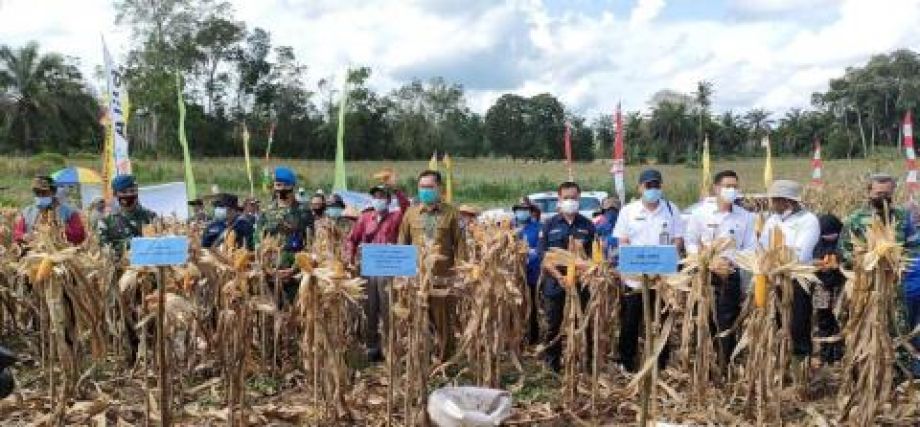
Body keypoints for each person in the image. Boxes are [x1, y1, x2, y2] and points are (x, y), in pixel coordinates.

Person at [840, 173, 918, 376]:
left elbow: (914, 246)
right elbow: (844, 251)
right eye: (878, 193)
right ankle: (864, 371)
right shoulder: (855, 219)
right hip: (866, 287)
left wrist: (897, 260)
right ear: (869, 192)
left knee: (898, 327)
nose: (883, 197)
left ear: (893, 192)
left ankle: (900, 374)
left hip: (894, 286)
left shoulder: (902, 217)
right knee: (866, 325)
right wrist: (867, 260)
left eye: (887, 193)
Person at [613, 169, 685, 372]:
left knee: (661, 322)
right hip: (634, 280)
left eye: (656, 185)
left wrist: (666, 257)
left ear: (661, 187)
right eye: (648, 186)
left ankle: (660, 364)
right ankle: (626, 362)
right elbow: (623, 241)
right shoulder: (628, 211)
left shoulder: (671, 210)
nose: (652, 189)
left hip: (662, 280)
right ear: (640, 188)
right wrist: (635, 262)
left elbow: (678, 239)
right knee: (630, 322)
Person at [684, 170, 755, 367]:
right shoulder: (699, 214)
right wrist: (706, 260)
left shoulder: (746, 217)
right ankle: (704, 365)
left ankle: (725, 365)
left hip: (730, 274)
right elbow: (690, 242)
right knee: (704, 320)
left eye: (734, 186)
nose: (731, 190)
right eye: (727, 186)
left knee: (727, 322)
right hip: (704, 275)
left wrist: (729, 263)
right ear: (716, 188)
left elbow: (750, 247)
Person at [398, 170, 466, 359]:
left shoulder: (452, 214)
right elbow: (402, 243)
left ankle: (444, 361)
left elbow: (461, 246)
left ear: (439, 188)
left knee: (443, 322)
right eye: (422, 187)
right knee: (417, 321)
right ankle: (420, 361)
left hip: (442, 280)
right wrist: (402, 275)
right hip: (416, 280)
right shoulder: (410, 214)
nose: (425, 191)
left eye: (429, 187)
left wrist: (460, 277)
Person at [346, 177, 410, 362]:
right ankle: (372, 346)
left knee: (389, 308)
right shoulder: (365, 218)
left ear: (389, 200)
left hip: (389, 270)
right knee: (369, 308)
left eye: (382, 196)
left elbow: (407, 208)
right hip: (369, 268)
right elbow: (352, 239)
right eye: (375, 196)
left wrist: (397, 189)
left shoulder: (397, 217)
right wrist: (350, 255)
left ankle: (391, 346)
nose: (378, 199)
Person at [760, 179, 820, 374]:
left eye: (775, 200)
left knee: (798, 326)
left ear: (787, 201)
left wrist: (776, 259)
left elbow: (801, 254)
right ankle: (780, 368)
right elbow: (762, 246)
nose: (772, 204)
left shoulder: (808, 220)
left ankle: (800, 373)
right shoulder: (772, 220)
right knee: (776, 323)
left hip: (798, 280)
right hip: (774, 280)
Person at [539, 181, 596, 372]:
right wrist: (559, 277)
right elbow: (543, 256)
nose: (570, 201)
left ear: (579, 199)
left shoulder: (587, 226)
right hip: (555, 283)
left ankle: (583, 362)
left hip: (581, 284)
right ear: (559, 199)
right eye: (566, 198)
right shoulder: (549, 224)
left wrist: (579, 274)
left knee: (583, 324)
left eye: (574, 198)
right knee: (553, 324)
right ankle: (552, 363)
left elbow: (592, 260)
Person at [258, 167, 314, 303]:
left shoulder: (304, 212)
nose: (281, 189)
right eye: (278, 185)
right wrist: (268, 268)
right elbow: (259, 242)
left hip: (296, 274)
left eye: (285, 185)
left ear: (292, 186)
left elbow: (310, 244)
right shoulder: (266, 212)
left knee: (294, 316)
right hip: (270, 273)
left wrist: (294, 269)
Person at [14, 176, 86, 246]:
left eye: (44, 193)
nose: (40, 195)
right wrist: (23, 236)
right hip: (33, 253)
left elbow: (80, 235)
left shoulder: (69, 212)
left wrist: (59, 232)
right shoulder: (27, 212)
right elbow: (17, 233)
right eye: (37, 193)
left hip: (60, 253)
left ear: (53, 192)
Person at [813, 214, 845, 364]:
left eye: (834, 234)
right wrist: (819, 266)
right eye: (826, 235)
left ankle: (839, 354)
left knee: (840, 319)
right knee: (824, 320)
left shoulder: (844, 243)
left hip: (841, 288)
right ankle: (825, 354)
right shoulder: (816, 244)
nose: (830, 237)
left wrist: (838, 266)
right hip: (821, 288)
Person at [98, 175, 157, 254]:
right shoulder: (106, 221)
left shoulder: (150, 216)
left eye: (133, 191)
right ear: (115, 194)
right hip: (121, 265)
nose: (129, 195)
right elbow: (104, 250)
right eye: (124, 192)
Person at [513, 198, 542, 345]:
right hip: (513, 276)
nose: (522, 212)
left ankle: (533, 336)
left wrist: (533, 252)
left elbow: (541, 247)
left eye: (525, 209)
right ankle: (515, 335)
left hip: (532, 273)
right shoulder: (509, 229)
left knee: (532, 305)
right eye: (519, 209)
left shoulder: (538, 228)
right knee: (514, 306)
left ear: (531, 212)